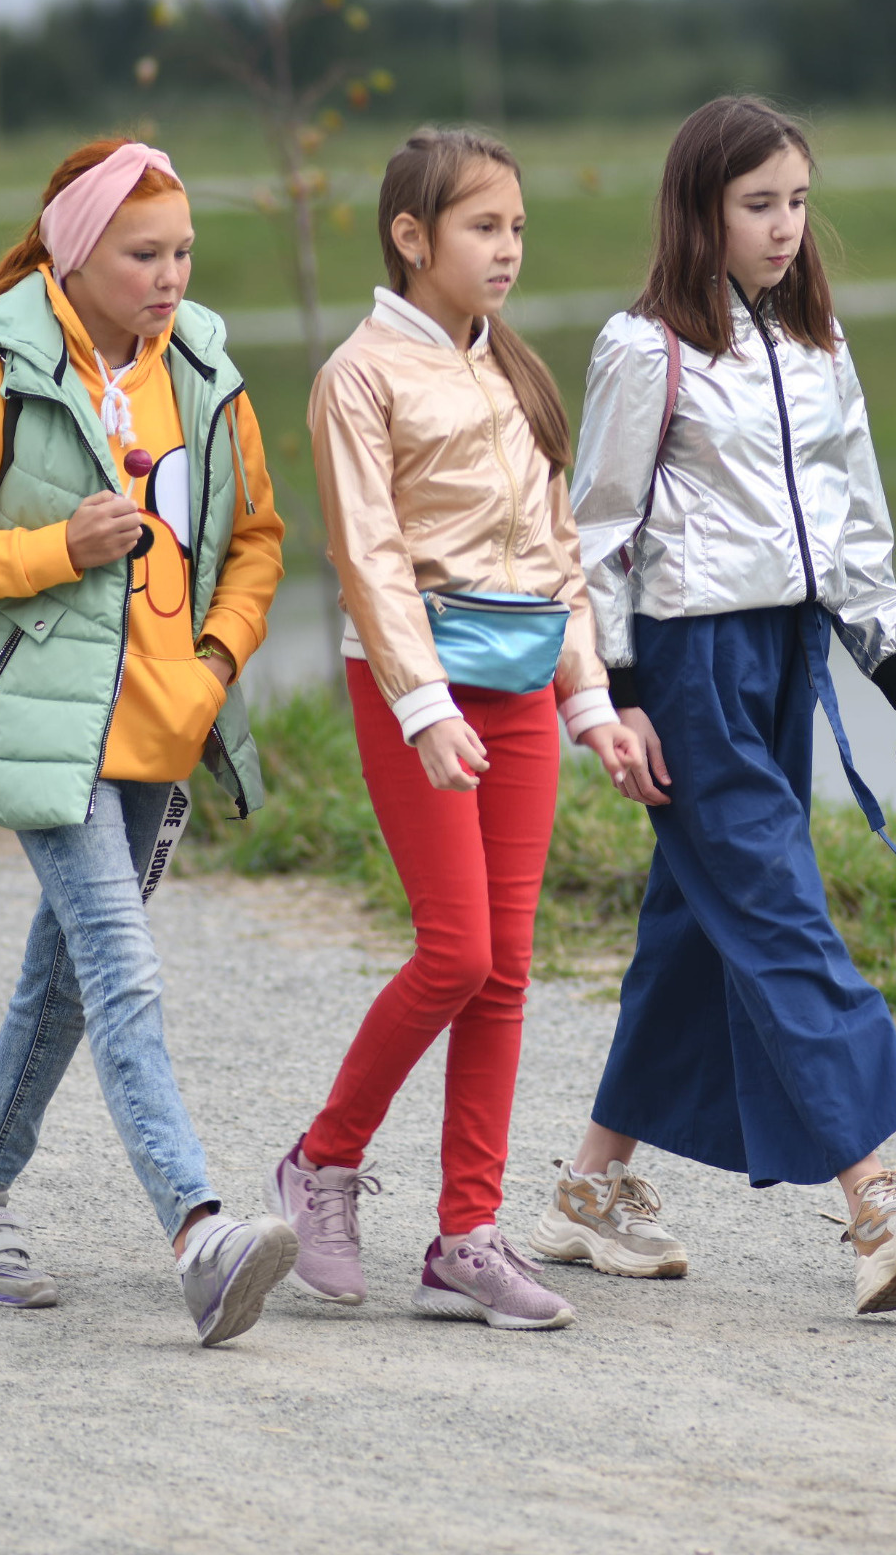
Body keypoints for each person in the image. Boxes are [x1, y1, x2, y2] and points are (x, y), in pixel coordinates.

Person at [536, 94, 896, 1317]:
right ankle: (875, 1196)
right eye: (758, 204)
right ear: (701, 210)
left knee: (700, 926)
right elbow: (598, 540)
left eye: (797, 199)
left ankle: (590, 1189)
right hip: (683, 671)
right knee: (781, 909)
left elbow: (850, 533)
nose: (786, 225)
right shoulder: (646, 349)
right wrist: (615, 695)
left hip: (785, 660)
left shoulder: (818, 348)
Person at [0, 137, 301, 1346]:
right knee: (121, 968)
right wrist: (56, 546)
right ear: (76, 252)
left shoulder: (208, 374)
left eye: (182, 253)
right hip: (41, 728)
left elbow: (258, 537)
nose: (169, 276)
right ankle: (202, 1230)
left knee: (62, 979)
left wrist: (218, 658)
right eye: (142, 253)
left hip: (163, 725)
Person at [267, 129, 651, 1333]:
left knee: (508, 966)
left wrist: (589, 700)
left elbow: (558, 555)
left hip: (526, 688)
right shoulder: (360, 375)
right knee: (456, 950)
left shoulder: (517, 375)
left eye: (519, 228)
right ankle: (322, 1162)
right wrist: (421, 704)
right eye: (485, 227)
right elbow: (368, 555)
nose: (508, 250)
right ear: (411, 235)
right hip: (416, 690)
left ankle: (465, 1237)